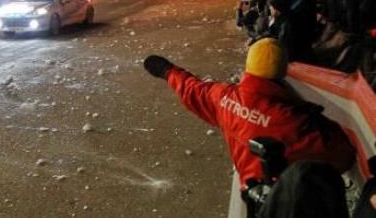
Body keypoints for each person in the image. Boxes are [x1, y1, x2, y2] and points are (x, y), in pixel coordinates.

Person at [142, 38, 355, 191]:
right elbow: (343, 155)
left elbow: (193, 89)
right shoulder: (294, 122)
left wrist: (168, 71)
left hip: (251, 190)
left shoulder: (224, 97)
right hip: (284, 200)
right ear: (281, 72)